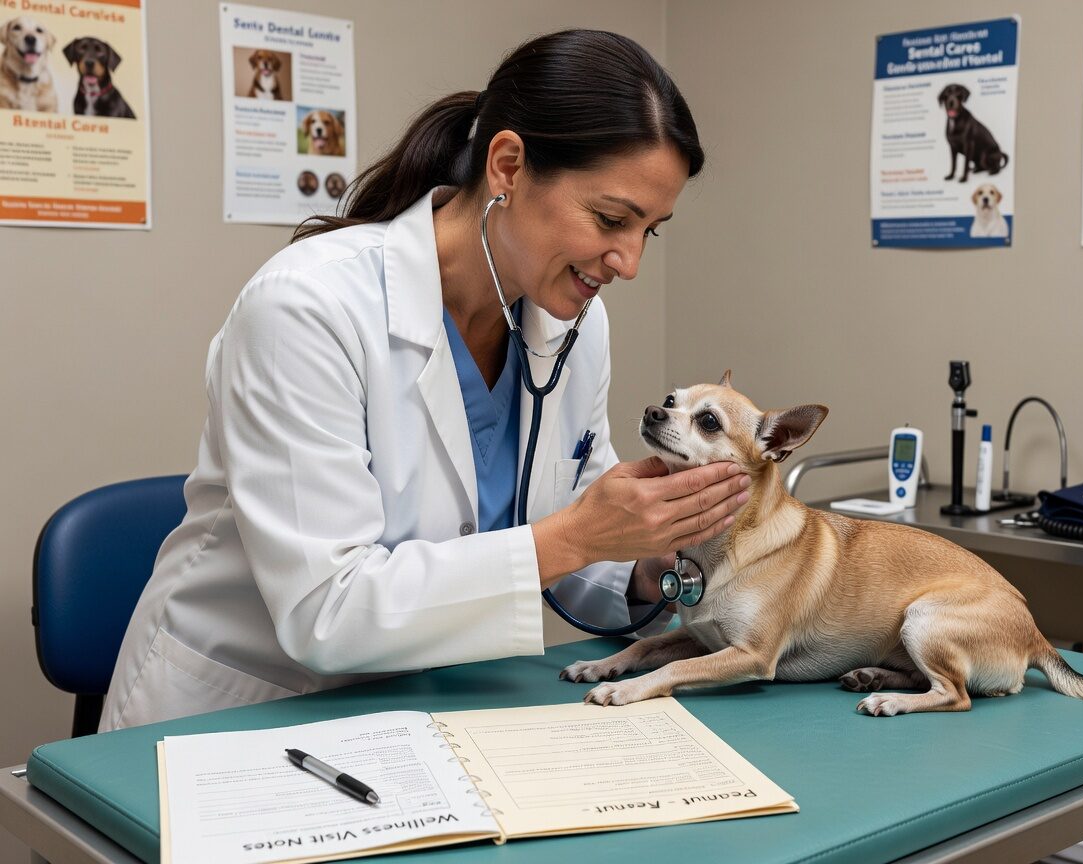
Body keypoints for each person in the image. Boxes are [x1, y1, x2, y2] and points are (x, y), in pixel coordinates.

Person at [99, 29, 750, 731]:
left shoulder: (574, 326)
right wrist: (579, 538)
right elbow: (327, 610)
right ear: (507, 166)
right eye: (611, 219)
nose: (629, 262)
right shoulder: (308, 305)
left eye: (650, 230)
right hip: (239, 715)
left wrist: (646, 562)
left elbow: (565, 522)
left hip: (421, 713)